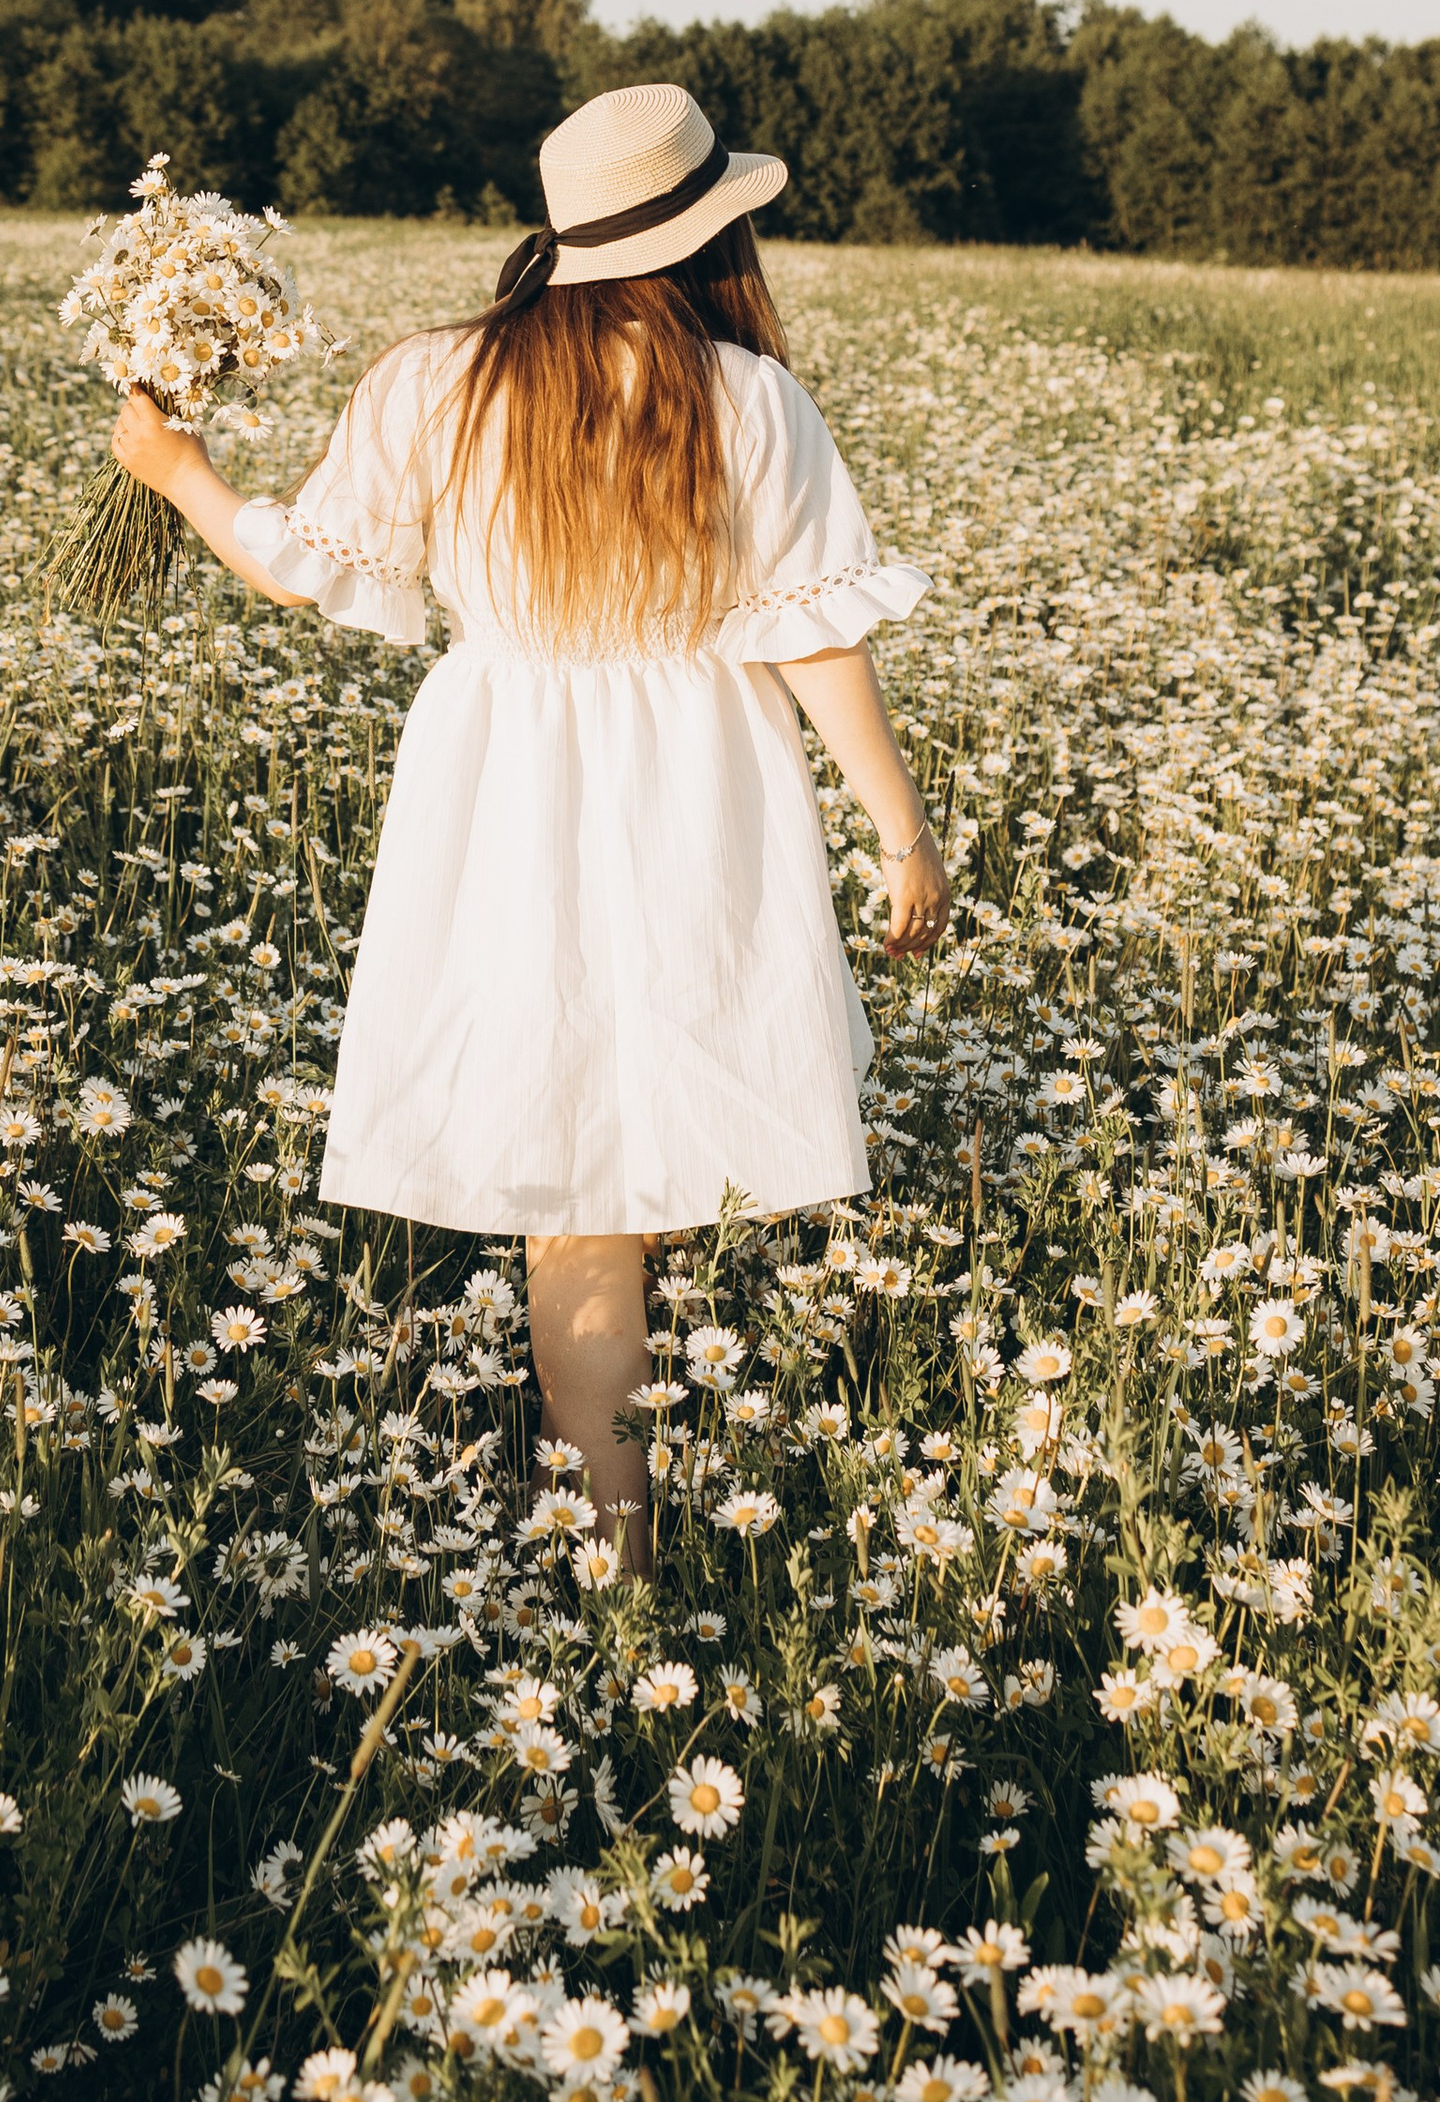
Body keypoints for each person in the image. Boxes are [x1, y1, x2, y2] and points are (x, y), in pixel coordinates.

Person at [110, 81, 951, 1573]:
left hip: (502, 793)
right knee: (664, 1131)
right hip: (703, 785)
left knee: (579, 1190)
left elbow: (301, 570)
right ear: (708, 239)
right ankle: (643, 1537)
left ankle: (613, 1558)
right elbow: (818, 640)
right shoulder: (746, 396)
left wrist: (177, 471)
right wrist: (899, 827)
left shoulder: (437, 381)